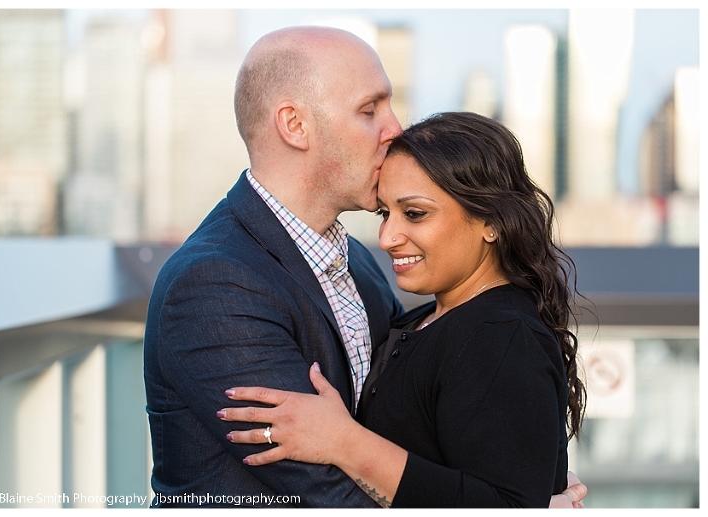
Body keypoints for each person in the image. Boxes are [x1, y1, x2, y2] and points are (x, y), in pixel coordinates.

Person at [144, 24, 586, 508]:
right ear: (295, 125)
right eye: (369, 109)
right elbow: (329, 494)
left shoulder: (360, 266)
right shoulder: (213, 285)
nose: (395, 128)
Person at [218, 112, 587, 508]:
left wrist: (343, 442)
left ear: (490, 221)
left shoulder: (499, 334)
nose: (387, 237)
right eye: (384, 213)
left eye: (415, 213)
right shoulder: (426, 320)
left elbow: (507, 508)